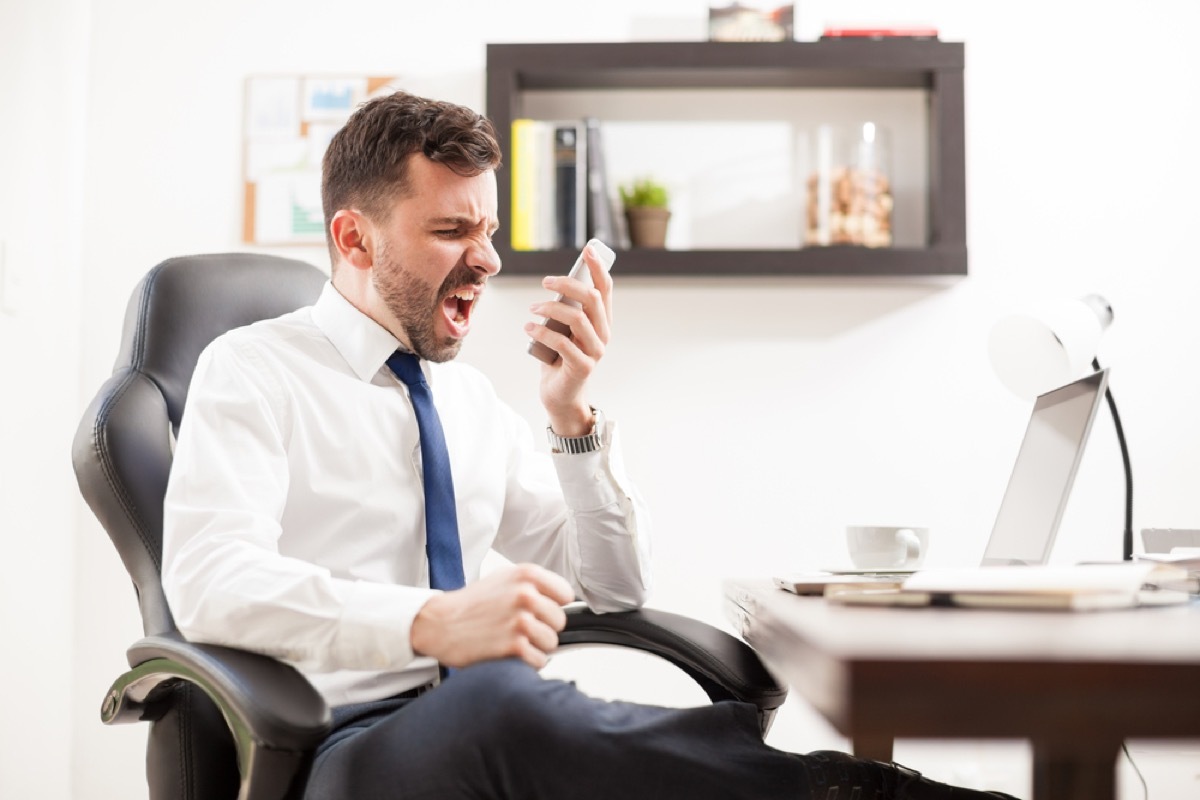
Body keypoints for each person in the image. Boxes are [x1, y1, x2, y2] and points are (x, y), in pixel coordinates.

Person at [161, 90, 1018, 800]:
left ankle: (833, 789)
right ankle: (852, 791)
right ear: (354, 239)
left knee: (519, 705)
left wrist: (571, 415)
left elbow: (610, 585)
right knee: (505, 701)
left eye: (489, 231)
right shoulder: (252, 370)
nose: (488, 260)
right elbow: (211, 583)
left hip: (487, 733)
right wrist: (432, 621)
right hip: (336, 750)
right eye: (453, 231)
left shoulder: (465, 399)